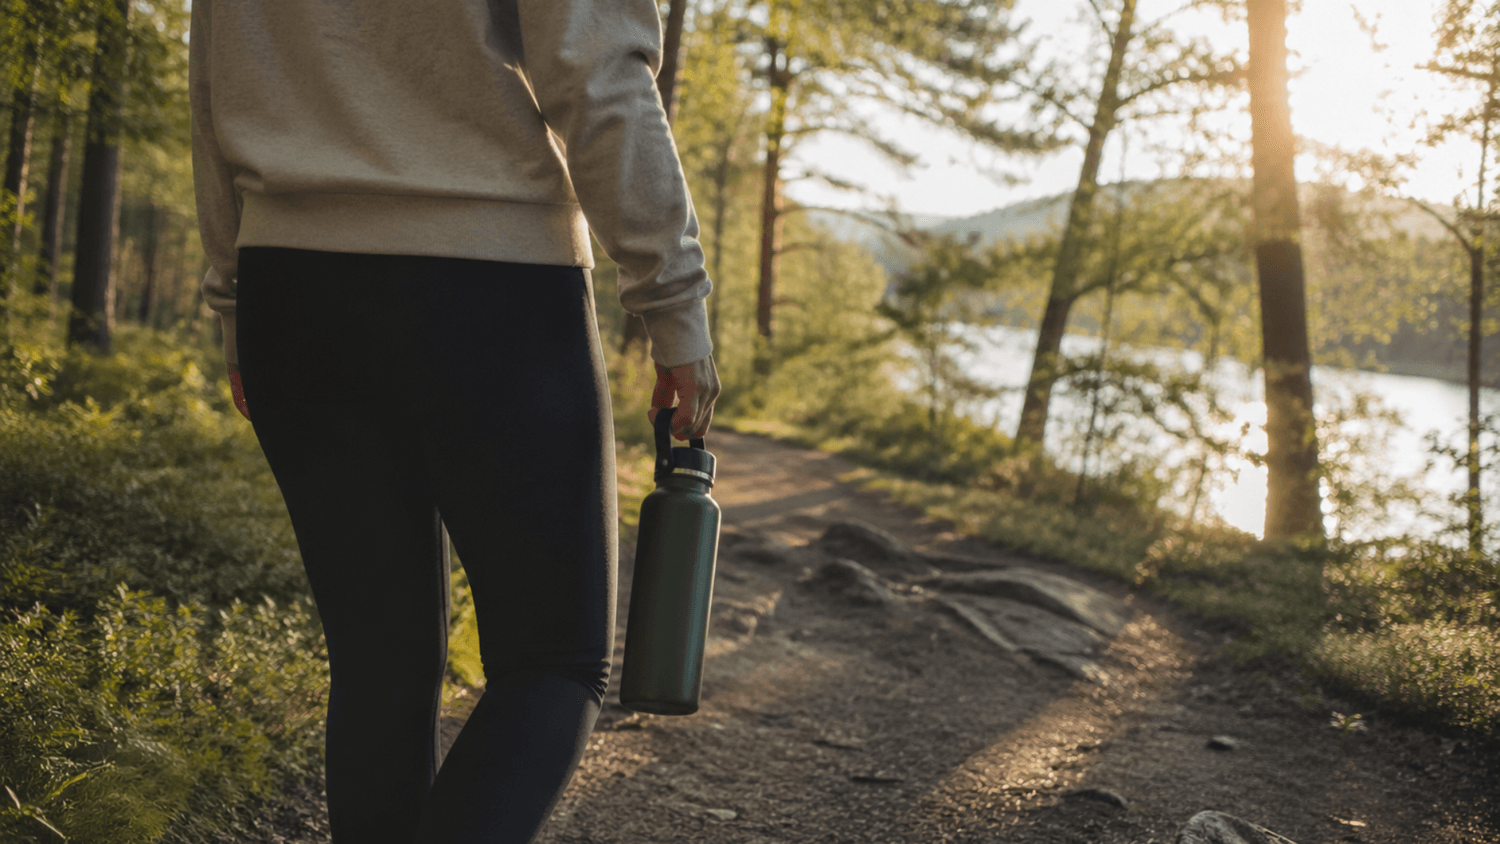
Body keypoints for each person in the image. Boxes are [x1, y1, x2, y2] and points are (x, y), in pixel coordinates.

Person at [188, 0, 721, 841]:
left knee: (379, 664)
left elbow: (212, 82)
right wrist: (674, 305)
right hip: (493, 281)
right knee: (553, 661)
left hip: (290, 290)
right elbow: (598, 72)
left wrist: (235, 300)